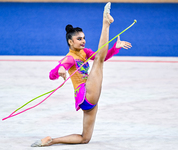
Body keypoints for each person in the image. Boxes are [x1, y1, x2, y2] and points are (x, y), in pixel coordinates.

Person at [31, 2, 132, 147]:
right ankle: (105, 23)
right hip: (86, 93)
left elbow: (101, 57)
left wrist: (115, 48)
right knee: (98, 62)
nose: (83, 41)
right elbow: (52, 74)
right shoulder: (70, 57)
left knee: (85, 138)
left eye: (84, 38)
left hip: (89, 101)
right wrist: (60, 69)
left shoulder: (85, 52)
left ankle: (51, 140)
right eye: (79, 39)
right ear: (70, 42)